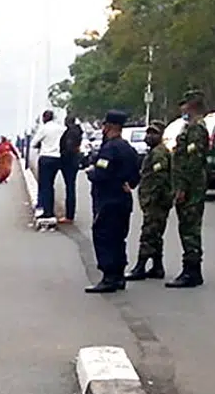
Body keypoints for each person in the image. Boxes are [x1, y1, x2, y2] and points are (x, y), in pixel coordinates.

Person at [84, 110, 143, 293]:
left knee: (104, 237)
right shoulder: (128, 148)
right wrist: (129, 184)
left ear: (109, 126)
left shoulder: (109, 148)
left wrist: (90, 173)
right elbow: (136, 174)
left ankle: (109, 277)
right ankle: (118, 275)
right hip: (123, 200)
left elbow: (101, 173)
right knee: (119, 238)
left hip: (108, 200)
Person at [167, 89, 211, 288]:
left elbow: (193, 161)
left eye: (184, 104)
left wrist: (182, 187)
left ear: (191, 105)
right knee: (186, 226)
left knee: (190, 227)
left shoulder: (196, 129)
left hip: (192, 186)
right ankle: (190, 269)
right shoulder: (190, 127)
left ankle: (191, 271)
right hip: (189, 184)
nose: (182, 108)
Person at [127, 122, 174, 281]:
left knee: (148, 233)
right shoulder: (153, 152)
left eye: (153, 133)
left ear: (160, 136)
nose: (149, 136)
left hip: (156, 201)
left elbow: (160, 179)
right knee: (156, 234)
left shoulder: (159, 154)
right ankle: (157, 266)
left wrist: (153, 199)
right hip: (153, 200)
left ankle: (140, 267)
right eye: (148, 133)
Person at [30, 110, 64, 222]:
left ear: (44, 118)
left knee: (44, 185)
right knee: (51, 185)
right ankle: (50, 210)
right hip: (58, 158)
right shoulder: (61, 128)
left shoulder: (44, 128)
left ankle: (46, 210)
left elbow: (33, 143)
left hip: (46, 157)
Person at [59, 114, 84, 223]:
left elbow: (69, 148)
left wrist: (62, 156)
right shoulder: (78, 131)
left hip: (68, 162)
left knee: (69, 188)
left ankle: (69, 215)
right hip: (74, 161)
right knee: (71, 187)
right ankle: (70, 213)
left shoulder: (70, 132)